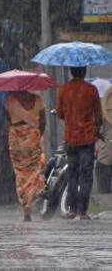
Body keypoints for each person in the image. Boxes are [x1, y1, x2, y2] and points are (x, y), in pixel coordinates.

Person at [56, 66, 103, 220]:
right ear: (84, 72)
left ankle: (72, 208)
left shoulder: (64, 89)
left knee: (72, 174)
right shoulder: (91, 90)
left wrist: (71, 119)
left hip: (71, 138)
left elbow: (59, 113)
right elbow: (99, 116)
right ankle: (82, 211)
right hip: (87, 139)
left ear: (71, 71)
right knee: (86, 175)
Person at [4, 91, 46, 222]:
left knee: (21, 173)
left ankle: (25, 204)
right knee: (34, 171)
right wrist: (36, 135)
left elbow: (7, 123)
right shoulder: (38, 99)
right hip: (33, 137)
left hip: (16, 139)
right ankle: (31, 199)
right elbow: (43, 121)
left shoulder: (9, 100)